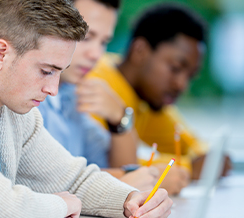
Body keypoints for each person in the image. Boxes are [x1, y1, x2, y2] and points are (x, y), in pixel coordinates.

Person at [0, 0, 173, 218]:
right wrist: (62, 205)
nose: (53, 90)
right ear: (0, 54)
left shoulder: (14, 111)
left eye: (59, 72)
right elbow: (2, 210)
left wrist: (131, 200)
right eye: (46, 71)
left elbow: (72, 179)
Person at [86, 3, 232, 192]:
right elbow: (102, 166)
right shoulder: (95, 84)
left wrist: (208, 161)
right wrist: (189, 168)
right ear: (140, 51)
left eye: (190, 76)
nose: (182, 85)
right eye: (175, 68)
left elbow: (192, 146)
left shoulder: (147, 98)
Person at [36, 0, 159, 192]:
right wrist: (123, 178)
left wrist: (119, 117)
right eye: (86, 37)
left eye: (103, 42)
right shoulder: (27, 98)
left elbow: (118, 164)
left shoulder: (71, 95)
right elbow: (40, 179)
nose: (96, 54)